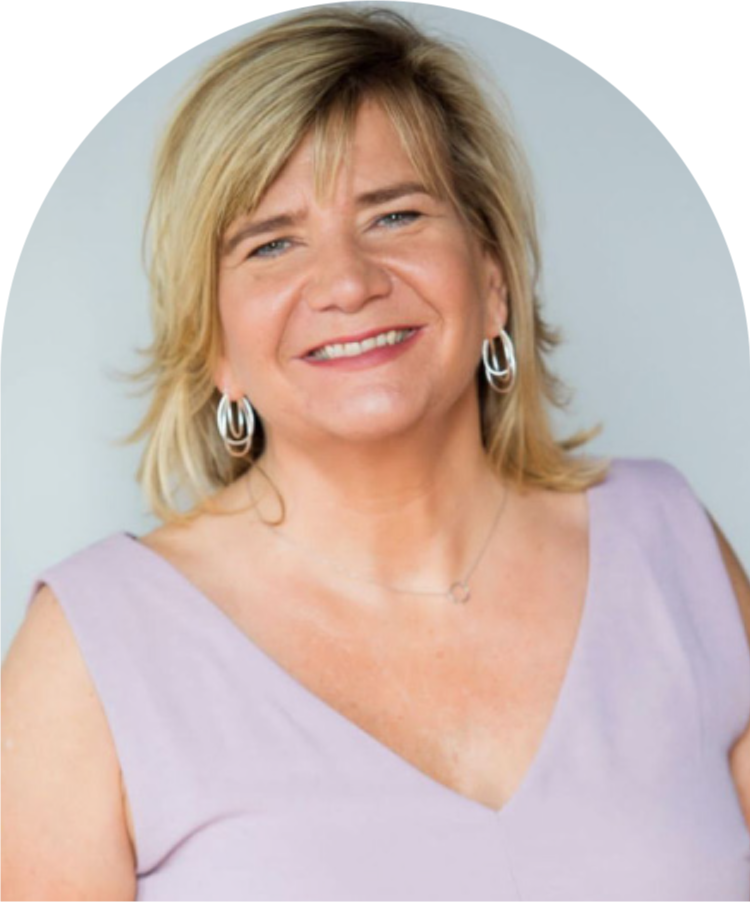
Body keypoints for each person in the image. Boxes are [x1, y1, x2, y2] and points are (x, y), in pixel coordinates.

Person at [1, 8, 748, 902]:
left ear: (492, 279)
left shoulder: (671, 546)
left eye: (395, 215)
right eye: (272, 242)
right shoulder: (89, 652)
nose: (348, 282)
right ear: (215, 343)